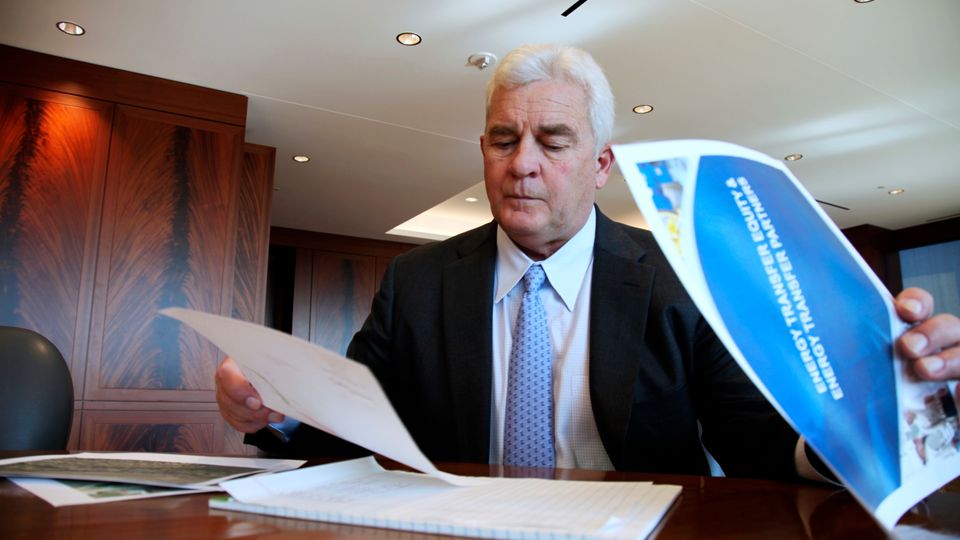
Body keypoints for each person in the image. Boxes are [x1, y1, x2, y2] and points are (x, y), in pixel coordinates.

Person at [216, 44, 960, 479]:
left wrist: (869, 424)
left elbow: (752, 440)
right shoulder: (416, 283)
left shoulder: (680, 277)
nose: (523, 164)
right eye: (503, 140)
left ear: (601, 163)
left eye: (554, 141)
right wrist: (275, 408)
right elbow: (354, 427)